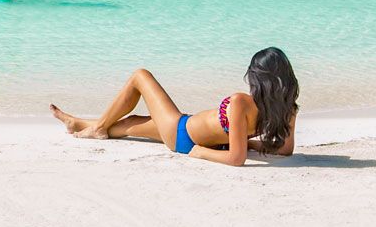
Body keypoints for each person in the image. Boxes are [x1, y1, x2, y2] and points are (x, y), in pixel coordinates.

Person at [49, 48, 299, 165]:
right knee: (129, 124)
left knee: (140, 76)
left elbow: (237, 159)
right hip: (189, 134)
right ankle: (79, 124)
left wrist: (201, 152)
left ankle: (99, 127)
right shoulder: (289, 109)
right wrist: (249, 143)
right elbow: (285, 150)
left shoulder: (241, 102)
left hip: (181, 131)